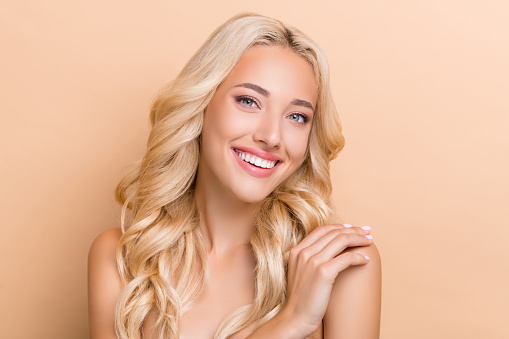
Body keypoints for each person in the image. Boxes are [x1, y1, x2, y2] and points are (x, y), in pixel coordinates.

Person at [88, 13, 381, 339]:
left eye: (297, 116)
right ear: (201, 103)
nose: (272, 136)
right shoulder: (125, 258)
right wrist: (292, 321)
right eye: (248, 101)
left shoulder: (340, 264)